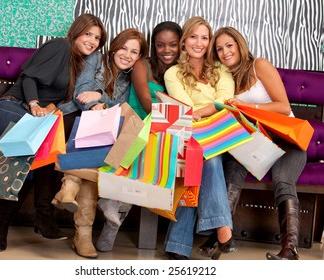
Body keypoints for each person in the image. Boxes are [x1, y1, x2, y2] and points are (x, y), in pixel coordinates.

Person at [0, 13, 107, 252]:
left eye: (97, 38)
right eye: (88, 34)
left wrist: (97, 98)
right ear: (76, 31)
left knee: (35, 159)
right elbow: (29, 77)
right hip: (13, 108)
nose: (92, 41)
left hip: (36, 120)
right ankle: (43, 215)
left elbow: (65, 100)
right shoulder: (60, 46)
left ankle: (5, 228)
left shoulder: (78, 65)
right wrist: (34, 104)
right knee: (42, 145)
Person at [208, 26, 307, 260]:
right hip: (256, 144)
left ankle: (289, 249)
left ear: (239, 44)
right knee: (232, 171)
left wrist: (246, 107)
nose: (225, 52)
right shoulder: (225, 78)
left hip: (287, 142)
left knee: (283, 180)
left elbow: (283, 106)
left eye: (229, 45)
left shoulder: (259, 65)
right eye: (219, 49)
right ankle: (219, 238)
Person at [53, 28, 148, 258]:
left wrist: (100, 100)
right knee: (94, 157)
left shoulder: (129, 77)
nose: (127, 55)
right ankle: (82, 235)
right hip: (71, 119)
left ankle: (69, 189)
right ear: (114, 47)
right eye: (124, 48)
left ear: (138, 57)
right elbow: (82, 90)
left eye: (134, 52)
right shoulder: (97, 59)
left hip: (99, 133)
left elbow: (117, 107)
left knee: (95, 163)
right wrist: (95, 104)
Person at [162, 16, 237, 260]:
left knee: (207, 158)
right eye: (193, 37)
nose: (199, 43)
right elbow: (184, 108)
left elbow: (225, 101)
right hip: (188, 135)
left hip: (221, 134)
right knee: (205, 159)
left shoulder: (220, 69)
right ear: (184, 42)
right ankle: (223, 230)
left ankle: (178, 244)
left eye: (205, 38)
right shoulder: (173, 73)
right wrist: (208, 109)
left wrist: (203, 112)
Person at [128, 21, 182, 119]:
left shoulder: (180, 71)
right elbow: (146, 101)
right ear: (154, 46)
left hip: (166, 130)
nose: (166, 50)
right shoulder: (142, 65)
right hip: (138, 128)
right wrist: (172, 119)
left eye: (173, 45)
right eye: (160, 45)